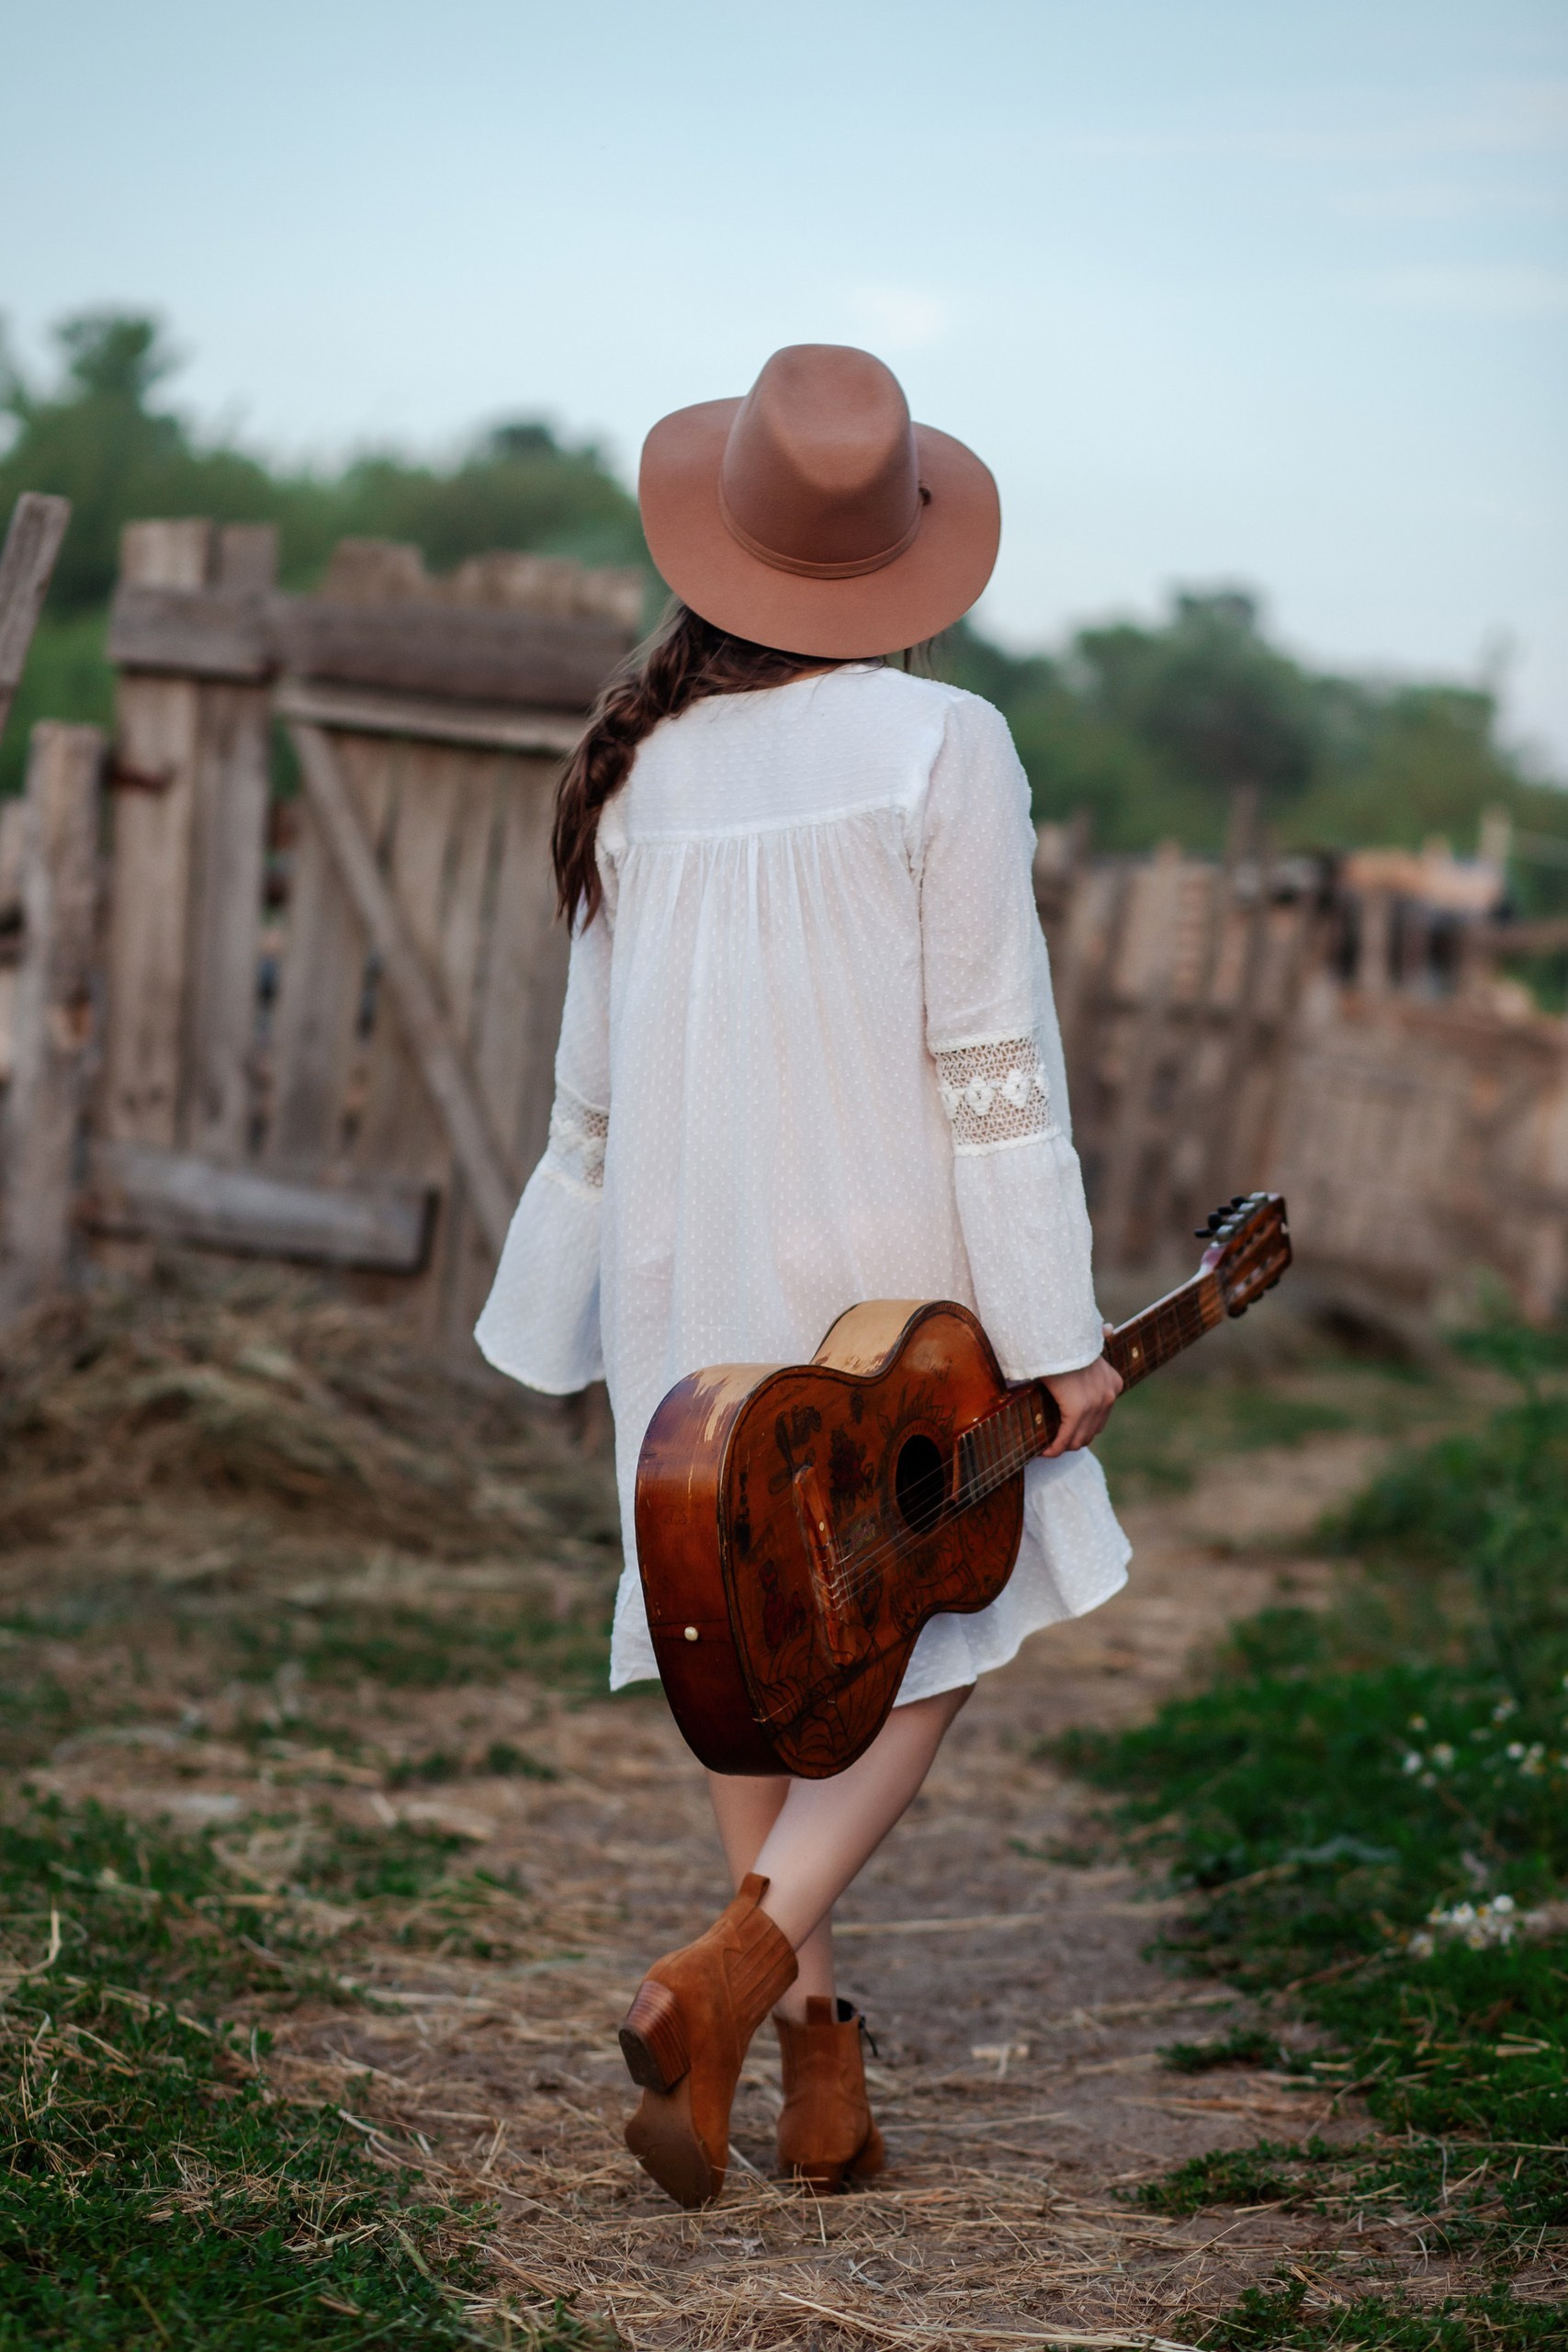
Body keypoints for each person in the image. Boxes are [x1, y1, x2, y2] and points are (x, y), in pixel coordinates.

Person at [475, 344, 1127, 2211]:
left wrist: (563, 1316)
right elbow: (991, 1074)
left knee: (743, 1640)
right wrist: (1060, 1337)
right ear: (899, 561)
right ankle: (735, 1971)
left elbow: (585, 1107)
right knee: (941, 1614)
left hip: (684, 1276)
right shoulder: (946, 745)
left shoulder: (632, 769)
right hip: (896, 1286)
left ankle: (812, 2074)